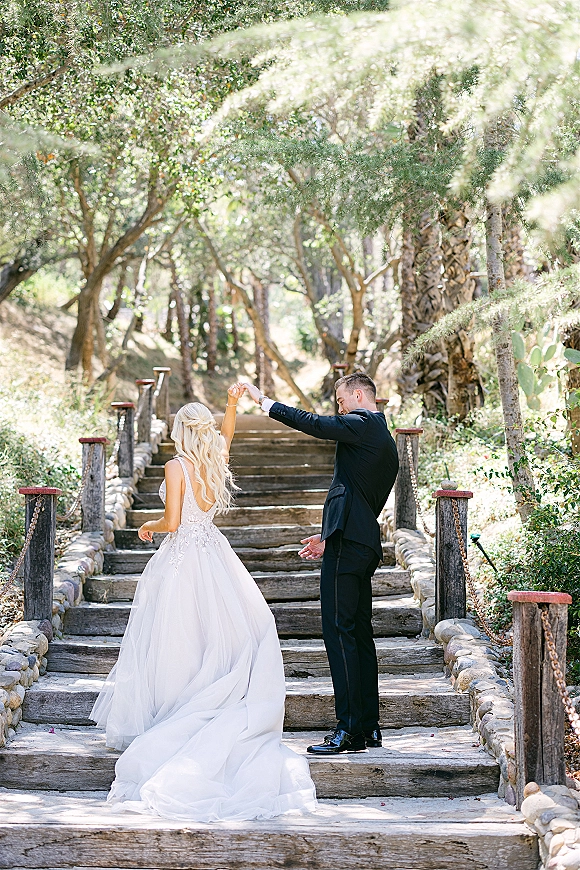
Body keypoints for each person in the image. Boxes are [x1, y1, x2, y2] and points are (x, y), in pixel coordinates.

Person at [90, 384, 316, 822]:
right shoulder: (213, 460)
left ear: (181, 430)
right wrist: (231, 405)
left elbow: (173, 521)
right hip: (214, 553)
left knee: (177, 637)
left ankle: (176, 713)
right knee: (210, 635)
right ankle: (201, 701)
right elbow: (226, 435)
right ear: (205, 432)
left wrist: (148, 527)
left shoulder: (177, 467)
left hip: (181, 561)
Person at [243, 374, 399, 754]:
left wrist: (264, 401)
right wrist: (329, 536)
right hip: (358, 543)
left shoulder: (361, 423)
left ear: (359, 395)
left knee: (339, 633)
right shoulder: (384, 438)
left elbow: (313, 424)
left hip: (350, 547)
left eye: (342, 399)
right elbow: (358, 496)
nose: (339, 407)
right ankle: (368, 727)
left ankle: (347, 729)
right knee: (359, 635)